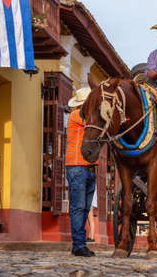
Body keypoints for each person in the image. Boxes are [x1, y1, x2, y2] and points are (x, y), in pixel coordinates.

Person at [65, 87, 97, 257]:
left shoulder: (82, 114)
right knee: (79, 207)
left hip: (88, 167)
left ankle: (80, 243)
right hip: (77, 166)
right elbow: (96, 125)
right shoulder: (77, 114)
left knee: (84, 208)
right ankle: (78, 244)